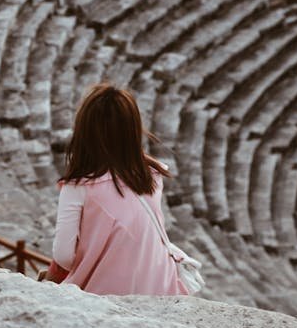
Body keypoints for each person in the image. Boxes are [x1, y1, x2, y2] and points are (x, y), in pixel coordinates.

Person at [44, 83, 189, 295]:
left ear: (84, 130)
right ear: (133, 129)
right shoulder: (152, 174)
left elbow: (64, 256)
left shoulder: (78, 187)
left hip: (106, 292)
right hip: (161, 287)